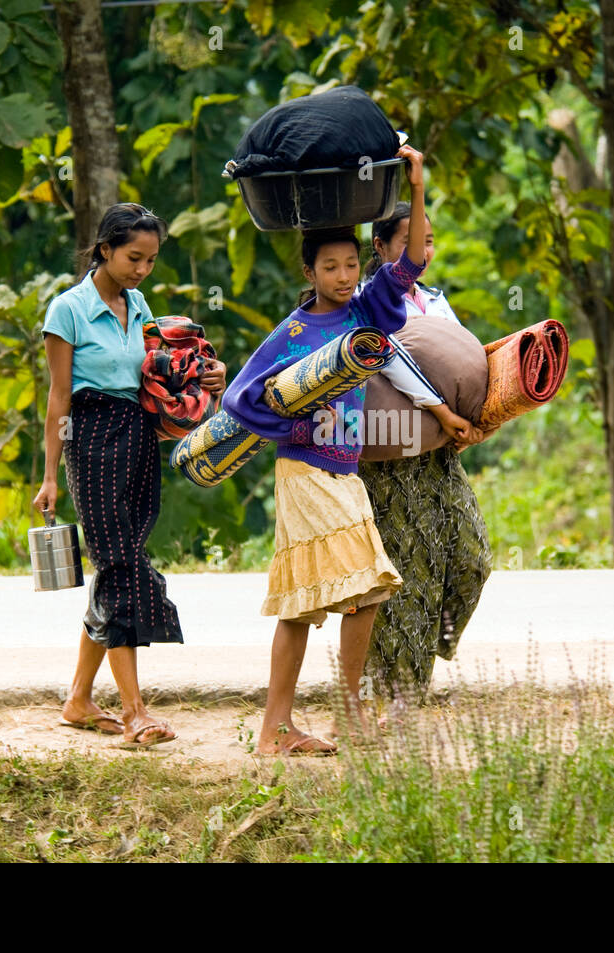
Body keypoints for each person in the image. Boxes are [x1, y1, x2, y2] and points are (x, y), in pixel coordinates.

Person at [222, 145, 430, 755]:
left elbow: (410, 265)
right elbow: (241, 400)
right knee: (328, 594)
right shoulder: (291, 335)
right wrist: (296, 409)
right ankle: (280, 727)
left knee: (354, 596)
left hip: (346, 472)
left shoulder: (366, 311)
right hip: (305, 471)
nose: (343, 276)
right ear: (309, 274)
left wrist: (415, 187)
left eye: (349, 265)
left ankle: (327, 716)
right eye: (330, 267)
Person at [32, 203, 225, 748]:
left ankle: (78, 699)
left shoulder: (137, 304)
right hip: (91, 439)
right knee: (121, 565)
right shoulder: (67, 311)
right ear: (104, 250)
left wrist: (212, 374)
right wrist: (50, 475)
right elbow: (59, 398)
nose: (142, 270)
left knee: (121, 562)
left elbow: (159, 371)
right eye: (133, 257)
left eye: (151, 260)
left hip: (139, 435)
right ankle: (135, 710)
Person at [358, 204, 495, 697]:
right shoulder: (365, 299)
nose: (425, 252)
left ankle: (423, 653)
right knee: (408, 574)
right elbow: (389, 359)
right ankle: (396, 698)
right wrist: (440, 410)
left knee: (469, 559)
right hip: (392, 452)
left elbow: (467, 359)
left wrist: (480, 419)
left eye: (431, 241)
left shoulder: (436, 302)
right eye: (415, 241)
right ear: (381, 247)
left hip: (440, 452)